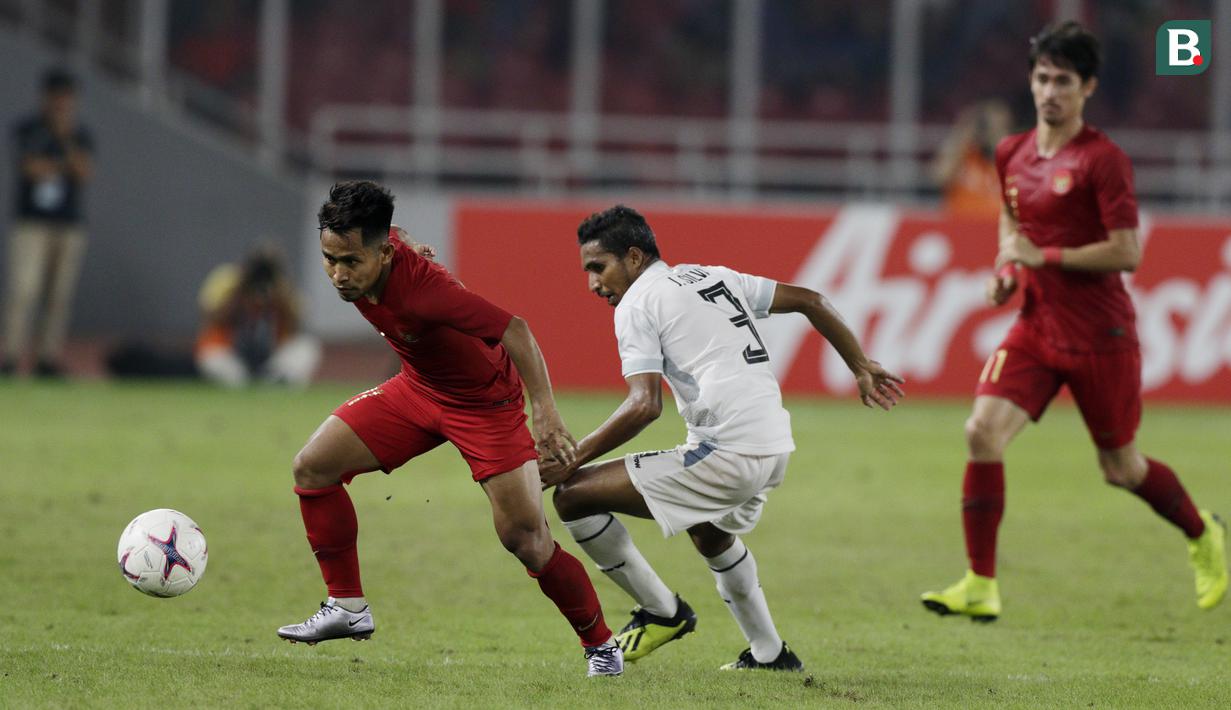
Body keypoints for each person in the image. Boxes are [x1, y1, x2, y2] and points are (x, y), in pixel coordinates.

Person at [920, 21, 1227, 622]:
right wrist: (1009, 269)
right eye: (1041, 78)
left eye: (1063, 80)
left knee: (1121, 468)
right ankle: (981, 582)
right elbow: (1013, 224)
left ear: (1087, 88)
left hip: (1101, 336)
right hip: (1036, 326)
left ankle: (1203, 532)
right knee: (981, 432)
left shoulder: (1103, 160)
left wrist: (1047, 257)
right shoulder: (1010, 151)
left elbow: (1128, 251)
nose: (1049, 91)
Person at [276, 181, 623, 678]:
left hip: (486, 406)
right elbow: (392, 232)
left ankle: (602, 647)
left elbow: (516, 329)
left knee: (525, 538)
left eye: (350, 262)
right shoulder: (377, 243)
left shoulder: (424, 293)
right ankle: (348, 607)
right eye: (329, 258)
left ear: (381, 253)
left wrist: (543, 409)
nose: (337, 274)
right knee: (312, 467)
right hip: (418, 389)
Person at [540, 205, 904, 670]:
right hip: (774, 446)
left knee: (572, 496)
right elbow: (811, 299)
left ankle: (662, 613)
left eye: (598, 268)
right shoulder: (708, 276)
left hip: (729, 453)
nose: (593, 284)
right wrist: (860, 365)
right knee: (708, 530)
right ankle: (771, 655)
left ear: (633, 257)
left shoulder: (637, 304)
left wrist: (571, 459)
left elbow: (644, 405)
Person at [2, 68, 94, 377]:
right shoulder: (29, 129)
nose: (62, 104)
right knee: (23, 290)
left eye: (67, 98)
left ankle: (47, 359)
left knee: (58, 296)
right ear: (46, 98)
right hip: (31, 222)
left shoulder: (79, 134)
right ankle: (12, 356)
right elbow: (30, 168)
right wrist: (61, 164)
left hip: (67, 225)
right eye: (57, 97)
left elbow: (83, 172)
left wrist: (64, 142)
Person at [195, 245, 321, 387]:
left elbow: (298, 323)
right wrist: (241, 287)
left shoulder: (281, 286)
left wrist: (279, 292)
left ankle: (275, 383)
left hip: (271, 358)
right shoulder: (227, 279)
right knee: (227, 372)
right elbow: (212, 318)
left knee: (306, 347)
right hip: (229, 354)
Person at [933, 100, 1012, 220]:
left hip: (991, 230)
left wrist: (999, 142)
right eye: (987, 125)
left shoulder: (1010, 162)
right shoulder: (965, 156)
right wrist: (965, 130)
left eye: (1000, 125)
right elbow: (940, 176)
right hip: (959, 227)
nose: (991, 130)